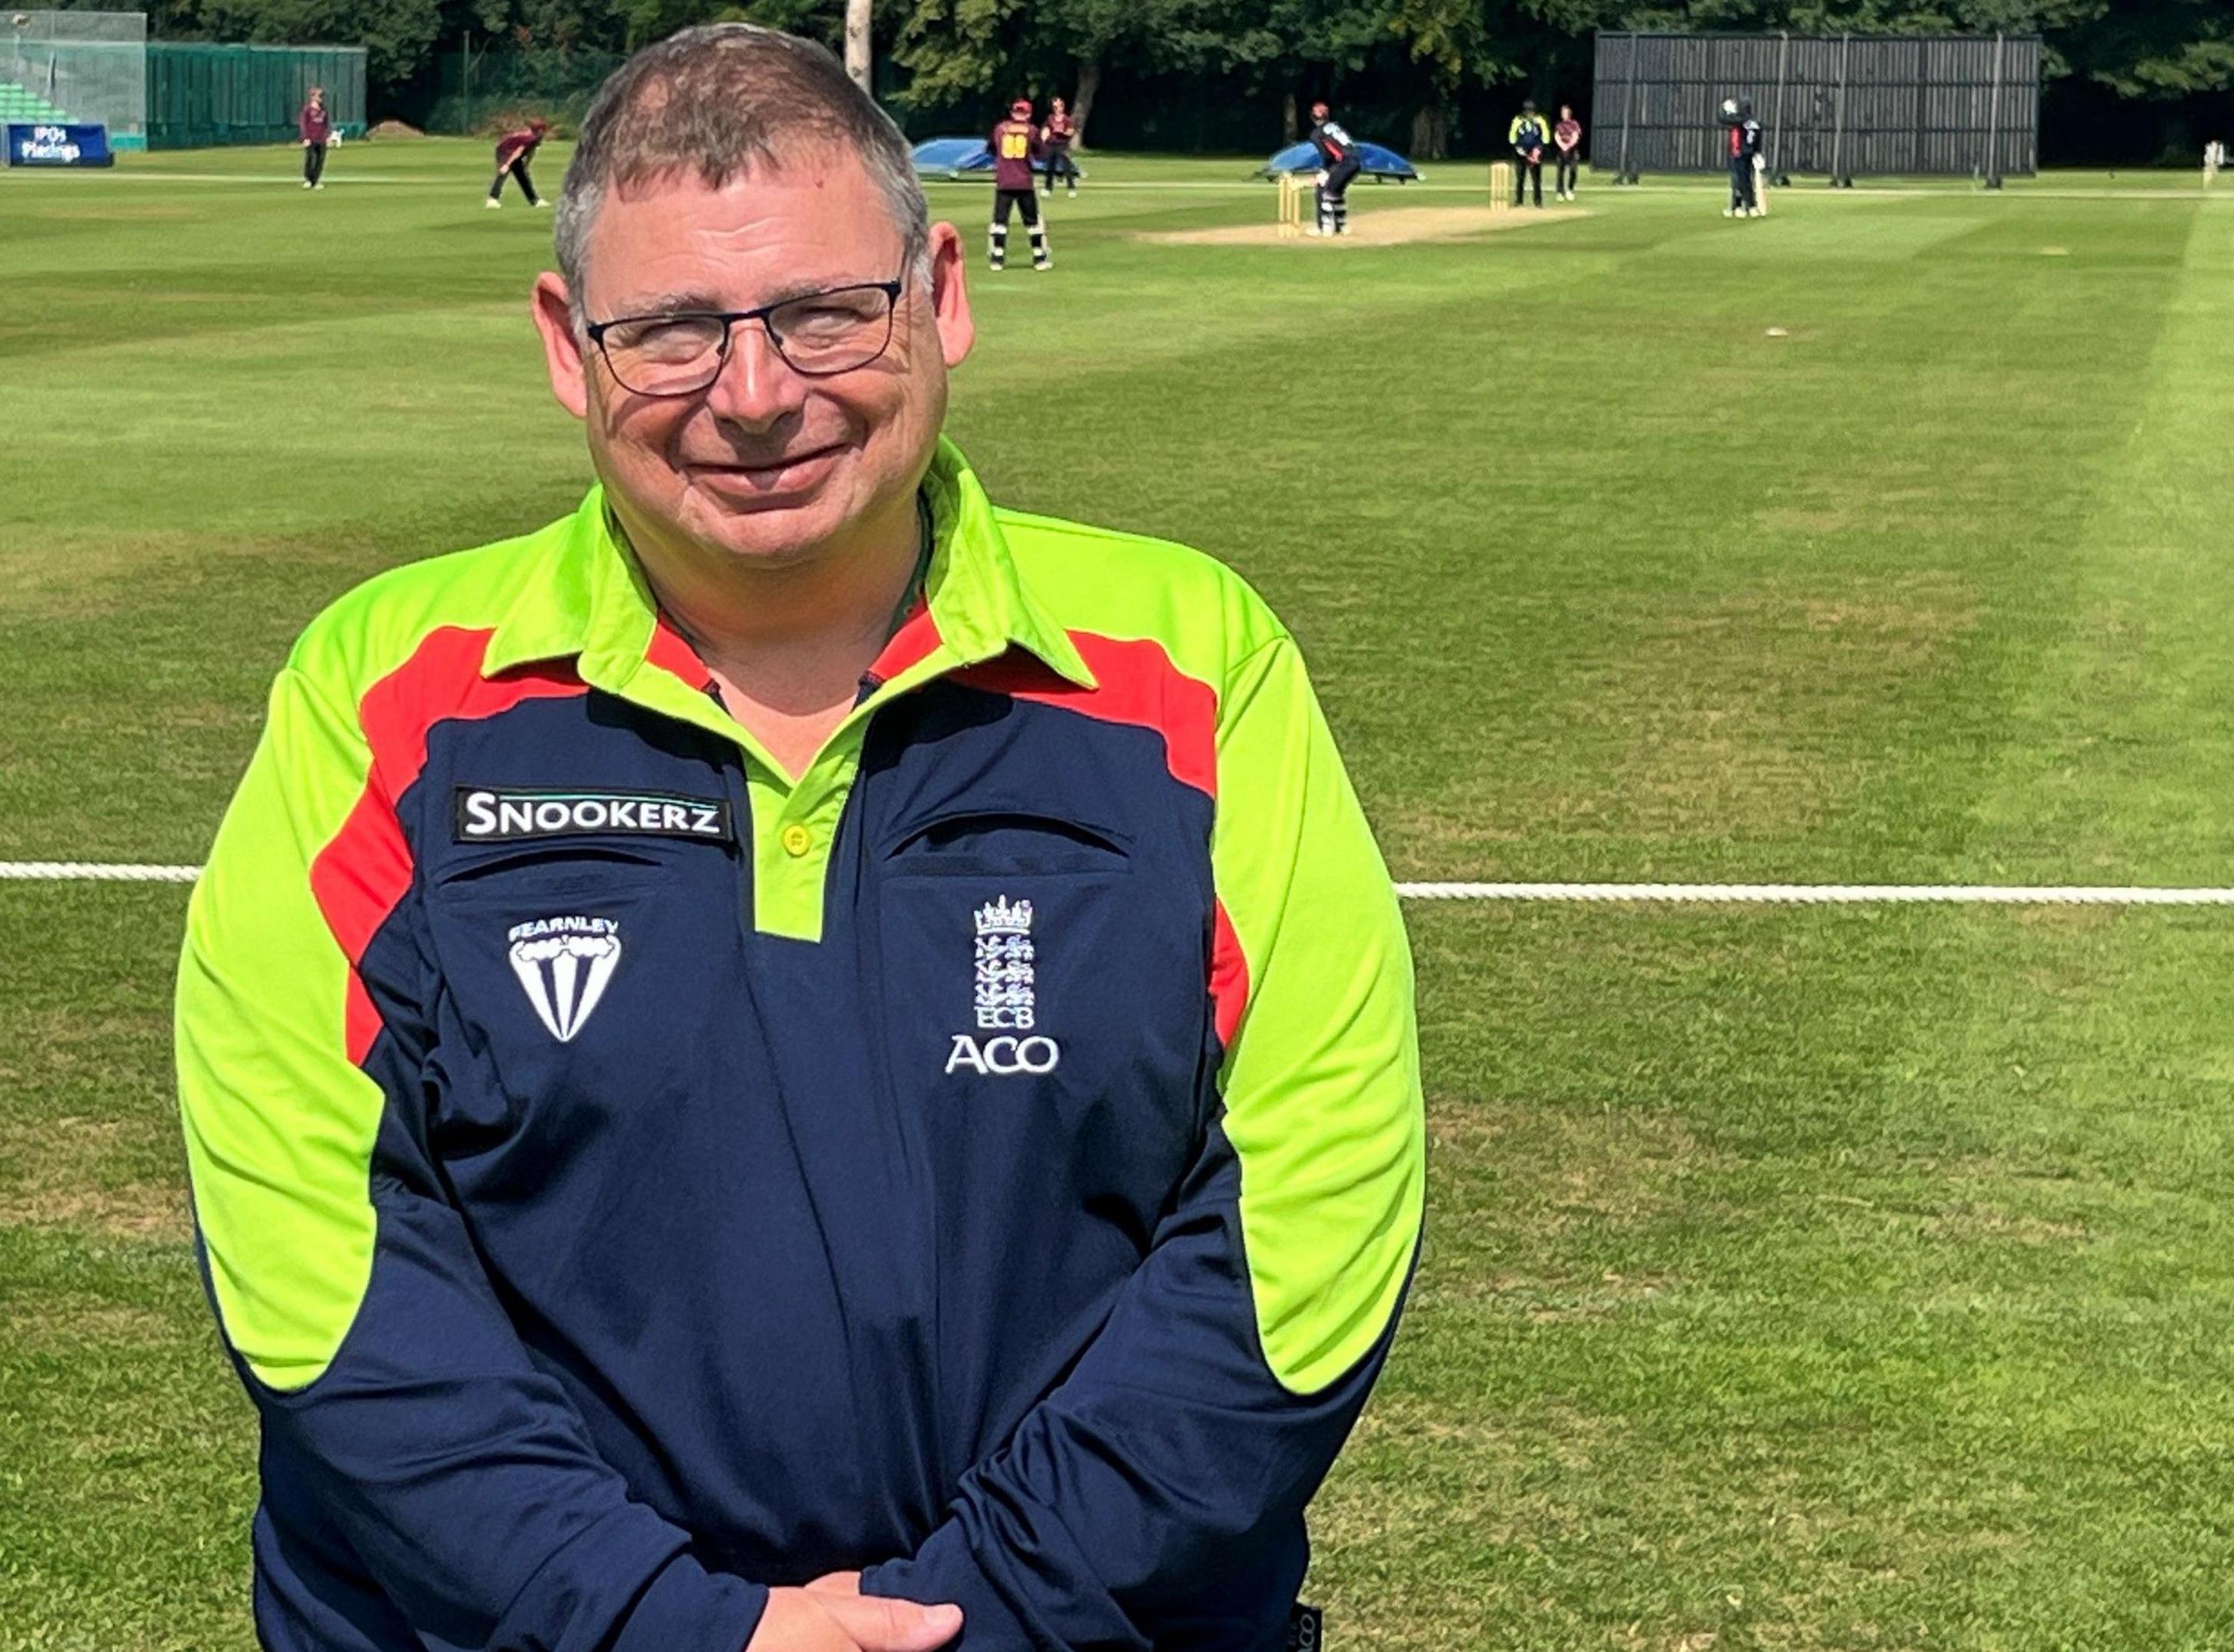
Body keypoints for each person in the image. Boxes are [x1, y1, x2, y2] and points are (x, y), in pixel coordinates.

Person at [175, 21, 1424, 1652]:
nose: (756, 396)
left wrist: (977, 1612)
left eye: (829, 314)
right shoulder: (380, 696)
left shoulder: (1192, 662)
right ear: (570, 345)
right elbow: (320, 1256)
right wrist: (661, 1623)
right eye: (673, 330)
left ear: (944, 299)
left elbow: (1310, 1208)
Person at [986, 96, 1049, 271]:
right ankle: (1039, 258)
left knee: (1000, 222)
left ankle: (997, 258)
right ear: (1028, 114)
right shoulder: (1031, 130)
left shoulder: (1000, 129)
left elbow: (990, 149)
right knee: (1032, 222)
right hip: (1023, 181)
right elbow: (1041, 154)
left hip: (1005, 181)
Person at [1307, 99, 1360, 236]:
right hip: (1355, 163)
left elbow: (1327, 155)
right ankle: (1341, 227)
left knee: (1325, 192)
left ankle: (1324, 227)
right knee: (1336, 192)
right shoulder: (1336, 127)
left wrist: (1324, 171)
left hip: (1343, 163)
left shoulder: (1317, 134)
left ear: (1312, 116)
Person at [489, 116, 552, 208]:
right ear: (539, 131)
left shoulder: (536, 139)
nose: (545, 133)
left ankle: (534, 201)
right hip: (504, 150)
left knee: (522, 176)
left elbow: (531, 152)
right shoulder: (530, 138)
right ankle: (492, 199)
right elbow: (518, 151)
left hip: (512, 151)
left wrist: (526, 166)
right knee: (503, 172)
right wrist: (506, 164)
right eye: (543, 130)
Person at [1721, 97, 1765, 216]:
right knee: (1745, 180)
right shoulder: (1755, 122)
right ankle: (1747, 206)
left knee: (1739, 181)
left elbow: (1723, 120)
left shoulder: (1740, 120)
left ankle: (1743, 207)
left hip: (1740, 154)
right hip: (1749, 154)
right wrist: (1757, 153)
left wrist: (1727, 111)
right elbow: (1758, 139)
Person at [1507, 99, 1548, 207]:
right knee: (1520, 177)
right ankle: (1519, 201)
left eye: (1532, 111)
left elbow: (1546, 138)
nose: (1530, 114)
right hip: (1520, 153)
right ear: (1525, 112)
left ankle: (1538, 202)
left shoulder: (1540, 121)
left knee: (1536, 179)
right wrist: (1518, 148)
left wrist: (1538, 150)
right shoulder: (1518, 121)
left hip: (1535, 153)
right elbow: (1512, 137)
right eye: (1528, 111)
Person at [1040, 95, 1081, 195]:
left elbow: (1071, 131)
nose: (1057, 109)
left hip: (1062, 145)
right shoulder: (1050, 118)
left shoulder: (1067, 119)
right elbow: (1045, 130)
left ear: (1063, 107)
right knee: (1050, 167)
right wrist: (1044, 137)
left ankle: (1071, 188)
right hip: (1051, 145)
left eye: (1059, 106)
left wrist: (1062, 132)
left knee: (1066, 166)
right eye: (1055, 107)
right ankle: (1048, 188)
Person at [298, 86, 331, 189]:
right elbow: (303, 123)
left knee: (320, 161)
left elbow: (327, 124)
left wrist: (328, 136)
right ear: (313, 97)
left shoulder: (324, 110)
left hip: (321, 138)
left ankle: (316, 181)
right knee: (310, 159)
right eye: (319, 96)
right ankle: (308, 179)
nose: (322, 98)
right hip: (311, 138)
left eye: (322, 96)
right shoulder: (307, 109)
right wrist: (305, 137)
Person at [1553, 102, 1583, 200]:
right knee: (1560, 172)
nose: (1563, 114)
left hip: (1572, 152)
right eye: (1562, 112)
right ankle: (1560, 192)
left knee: (1573, 171)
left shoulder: (1574, 124)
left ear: (1569, 113)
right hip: (1561, 152)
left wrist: (1568, 146)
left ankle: (1570, 190)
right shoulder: (1559, 125)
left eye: (1565, 112)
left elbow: (1575, 136)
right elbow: (1557, 137)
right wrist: (1563, 146)